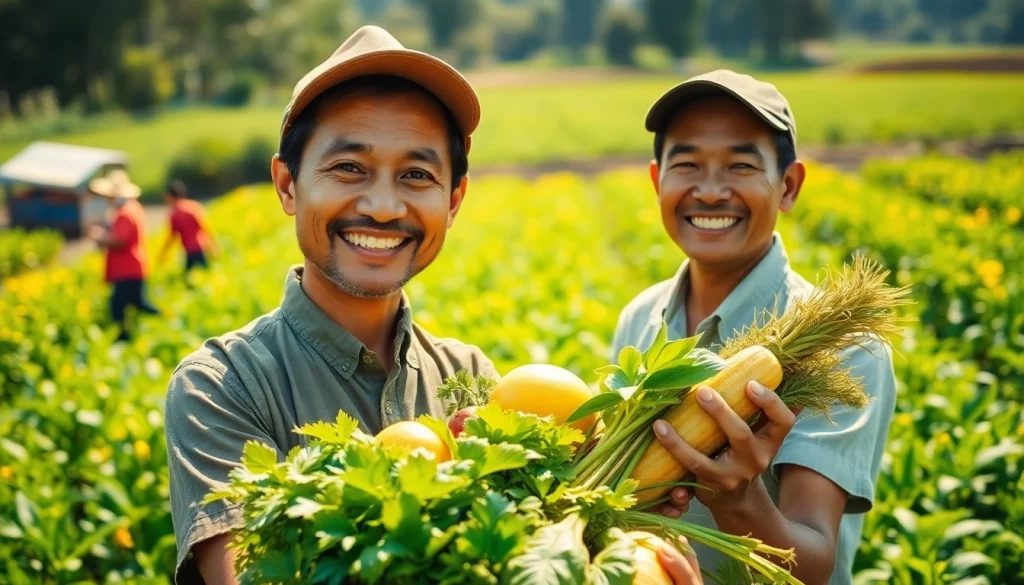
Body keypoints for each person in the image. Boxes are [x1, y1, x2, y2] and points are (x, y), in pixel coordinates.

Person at [611, 70, 897, 585]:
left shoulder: (847, 348)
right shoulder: (640, 317)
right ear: (658, 181)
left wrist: (738, 499)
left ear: (788, 186)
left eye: (741, 165)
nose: (712, 191)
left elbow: (810, 565)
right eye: (688, 164)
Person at [88, 169, 160, 341]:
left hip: (127, 269)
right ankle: (163, 321)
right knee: (138, 303)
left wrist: (100, 236)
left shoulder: (126, 212)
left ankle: (123, 341)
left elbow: (119, 240)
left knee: (118, 308)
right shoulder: (132, 208)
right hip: (132, 267)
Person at [158, 179, 218, 274]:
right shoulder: (194, 207)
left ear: (170, 196)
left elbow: (172, 237)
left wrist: (163, 253)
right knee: (203, 275)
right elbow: (205, 228)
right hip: (200, 247)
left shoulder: (174, 213)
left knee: (192, 277)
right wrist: (214, 246)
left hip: (190, 250)